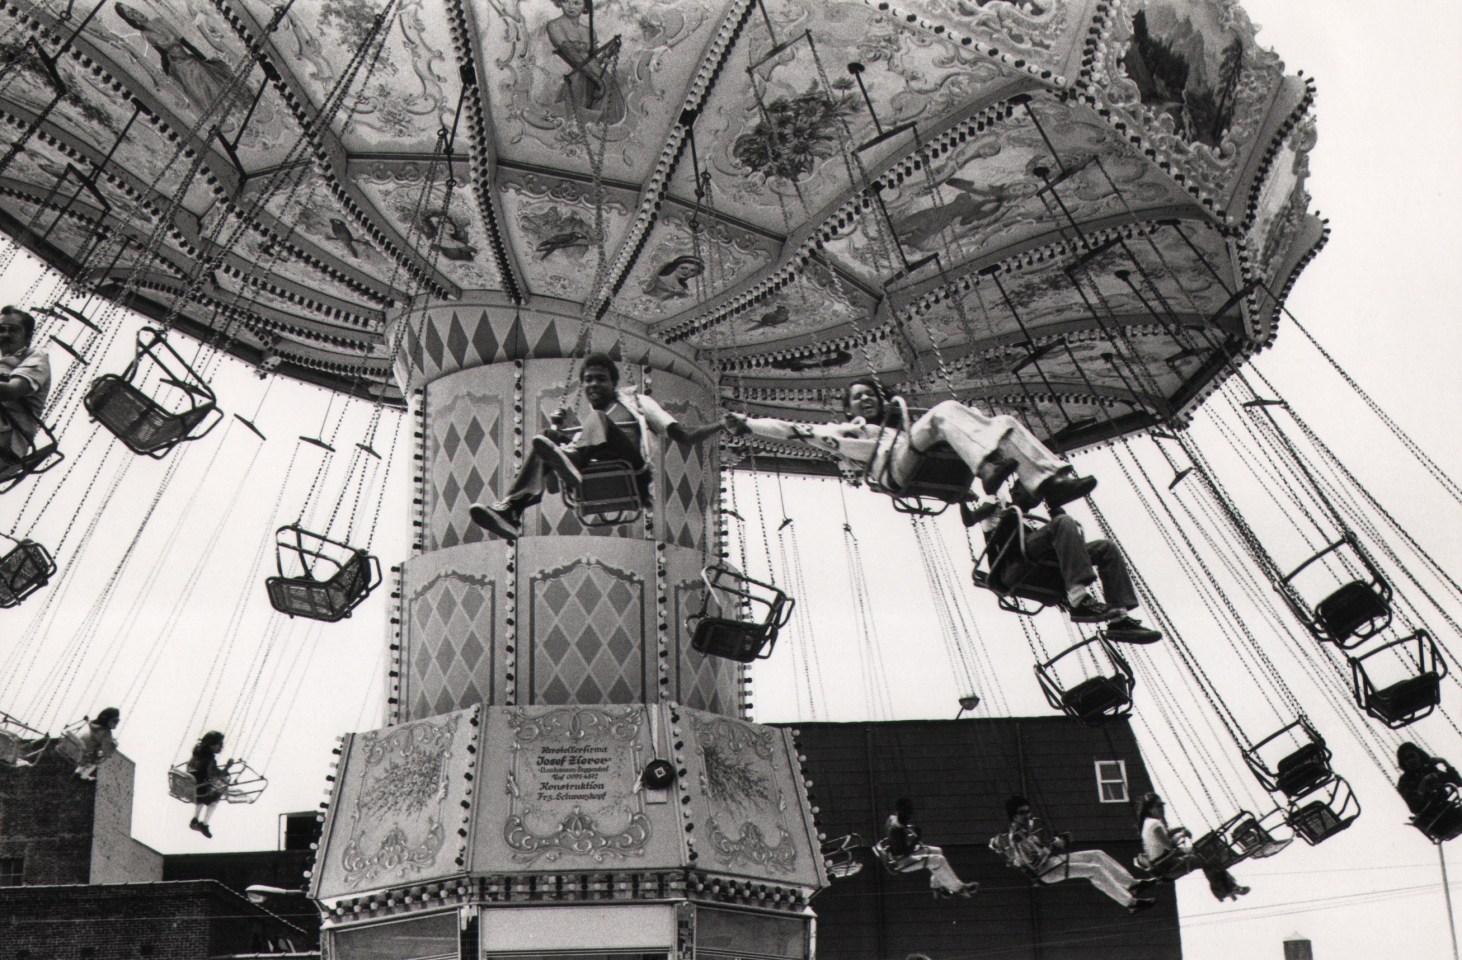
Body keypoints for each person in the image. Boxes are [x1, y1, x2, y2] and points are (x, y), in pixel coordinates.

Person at [722, 378, 1097, 512]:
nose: (866, 401)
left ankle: (1048, 482)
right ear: (848, 408)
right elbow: (793, 429)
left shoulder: (896, 427)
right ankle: (986, 468)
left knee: (1005, 421)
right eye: (858, 397)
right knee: (943, 412)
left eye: (871, 395)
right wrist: (750, 424)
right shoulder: (848, 432)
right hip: (889, 467)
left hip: (907, 453)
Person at [469, 353, 723, 541]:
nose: (593, 385)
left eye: (601, 379)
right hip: (594, 472)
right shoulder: (591, 422)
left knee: (597, 420)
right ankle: (513, 510)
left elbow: (683, 436)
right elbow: (554, 487)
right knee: (549, 434)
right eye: (588, 380)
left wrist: (720, 424)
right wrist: (563, 436)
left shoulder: (636, 403)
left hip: (632, 471)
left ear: (614, 384)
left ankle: (571, 458)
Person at [969, 499, 1161, 640]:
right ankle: (1078, 599)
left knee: (1106, 547)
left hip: (1040, 564)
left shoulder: (1024, 521)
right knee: (1063, 521)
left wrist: (1054, 502)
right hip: (1012, 566)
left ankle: (1120, 619)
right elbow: (969, 518)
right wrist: (964, 500)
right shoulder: (993, 505)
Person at [990, 795, 1156, 913]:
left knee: (1097, 854)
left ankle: (1132, 885)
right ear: (1014, 817)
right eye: (1023, 813)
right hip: (1045, 872)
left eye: (1028, 811)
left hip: (1051, 862)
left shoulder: (1026, 829)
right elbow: (1034, 862)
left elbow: (1039, 849)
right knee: (1094, 870)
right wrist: (1054, 845)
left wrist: (1054, 843)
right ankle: (1130, 903)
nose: (1028, 815)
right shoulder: (1018, 837)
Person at [1137, 793, 1249, 901]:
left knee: (1204, 849)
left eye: (1162, 805)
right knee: (1208, 859)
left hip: (1165, 860)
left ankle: (1228, 886)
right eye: (1158, 806)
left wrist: (1179, 829)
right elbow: (1170, 844)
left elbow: (1165, 834)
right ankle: (1223, 889)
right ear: (1150, 809)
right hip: (1167, 864)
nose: (1162, 809)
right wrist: (1182, 833)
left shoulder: (1149, 823)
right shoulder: (1154, 824)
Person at [879, 797, 979, 899]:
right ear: (900, 810)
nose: (910, 813)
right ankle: (959, 888)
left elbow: (895, 836)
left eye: (910, 810)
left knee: (938, 851)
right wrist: (917, 838)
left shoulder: (892, 818)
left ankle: (937, 885)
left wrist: (908, 830)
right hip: (900, 862)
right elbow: (906, 853)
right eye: (907, 811)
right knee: (938, 860)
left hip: (897, 854)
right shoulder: (897, 830)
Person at [0, 305, 50, 471]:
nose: (5, 335)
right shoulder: (4, 362)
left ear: (27, 337)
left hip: (7, 439)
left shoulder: (36, 357)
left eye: (13, 330)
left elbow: (12, 390)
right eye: (1, 329)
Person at [1396, 742, 1462, 817]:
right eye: (1406, 759)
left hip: (1448, 809)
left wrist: (1444, 762)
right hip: (1431, 820)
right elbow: (1414, 807)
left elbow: (1458, 782)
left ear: (1419, 755)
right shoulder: (1404, 781)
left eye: (1412, 756)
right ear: (1403, 763)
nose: (1410, 761)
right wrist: (1423, 784)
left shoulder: (1428, 769)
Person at [187, 731, 229, 838]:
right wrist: (228, 767)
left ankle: (195, 818)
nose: (221, 747)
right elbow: (215, 774)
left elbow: (203, 769)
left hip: (195, 788)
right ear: (211, 745)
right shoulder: (210, 759)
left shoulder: (197, 754)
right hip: (202, 791)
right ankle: (205, 823)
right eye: (219, 744)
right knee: (218, 794)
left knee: (205, 791)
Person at [71, 707, 120, 781]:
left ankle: (77, 772)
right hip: (91, 752)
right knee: (96, 761)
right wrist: (114, 745)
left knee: (86, 761)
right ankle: (84, 776)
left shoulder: (93, 725)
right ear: (107, 720)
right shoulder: (106, 732)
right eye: (115, 721)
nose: (116, 724)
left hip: (83, 747)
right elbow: (107, 748)